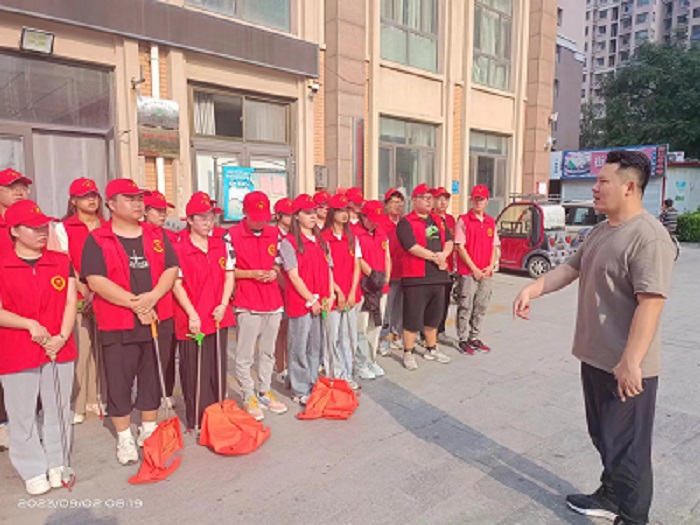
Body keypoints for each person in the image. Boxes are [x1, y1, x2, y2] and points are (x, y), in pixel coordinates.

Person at [513, 150, 675, 525]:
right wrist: (532, 289)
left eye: (603, 181)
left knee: (628, 450)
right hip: (596, 357)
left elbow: (651, 303)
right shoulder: (601, 231)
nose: (595, 188)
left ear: (629, 187)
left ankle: (633, 517)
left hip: (627, 365)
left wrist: (631, 361)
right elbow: (570, 268)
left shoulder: (649, 237)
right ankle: (611, 495)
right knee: (604, 436)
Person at [81, 178, 179, 466]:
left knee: (152, 375)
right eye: (130, 198)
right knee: (119, 380)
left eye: (139, 198)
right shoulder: (98, 238)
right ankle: (124, 436)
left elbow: (171, 269)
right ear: (111, 204)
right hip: (118, 321)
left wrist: (153, 297)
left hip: (157, 318)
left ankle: (148, 429)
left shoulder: (156, 234)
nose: (138, 204)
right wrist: (136, 304)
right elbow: (96, 280)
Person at [0, 200, 77, 495]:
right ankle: (31, 468)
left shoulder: (60, 261)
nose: (42, 232)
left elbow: (70, 302)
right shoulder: (3, 264)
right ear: (14, 231)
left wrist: (62, 336)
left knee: (59, 407)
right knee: (22, 413)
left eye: (44, 226)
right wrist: (28, 324)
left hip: (59, 346)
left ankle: (58, 461)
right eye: (33, 228)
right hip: (17, 348)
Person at [172, 192, 234, 430]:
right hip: (192, 318)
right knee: (194, 370)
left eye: (211, 217)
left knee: (216, 368)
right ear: (189, 220)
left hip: (217, 314)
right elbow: (176, 284)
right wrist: (192, 314)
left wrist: (223, 304)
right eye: (202, 218)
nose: (209, 222)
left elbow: (229, 276)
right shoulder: (179, 248)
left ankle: (217, 414)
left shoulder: (221, 245)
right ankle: (197, 419)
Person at [229, 191, 287, 420]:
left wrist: (273, 271)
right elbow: (228, 269)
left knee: (268, 351)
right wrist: (251, 274)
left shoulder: (274, 234)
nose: (261, 222)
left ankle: (265, 390)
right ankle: (248, 394)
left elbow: (278, 261)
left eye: (264, 217)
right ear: (244, 212)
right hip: (248, 301)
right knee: (244, 354)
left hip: (272, 300)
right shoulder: (232, 235)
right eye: (256, 217)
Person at [56, 178, 106, 424]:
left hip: (106, 295)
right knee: (81, 350)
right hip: (77, 296)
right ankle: (77, 403)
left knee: (102, 352)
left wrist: (100, 291)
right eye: (85, 196)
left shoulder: (107, 225)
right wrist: (85, 291)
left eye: (94, 195)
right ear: (73, 201)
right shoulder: (63, 228)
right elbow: (66, 262)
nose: (91, 200)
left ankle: (96, 397)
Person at [279, 194, 334, 406]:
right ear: (296, 216)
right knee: (298, 346)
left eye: (314, 212)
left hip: (321, 300)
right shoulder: (289, 243)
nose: (313, 216)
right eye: (307, 213)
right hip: (301, 303)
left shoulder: (321, 240)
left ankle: (312, 381)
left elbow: (329, 269)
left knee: (315, 345)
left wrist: (330, 294)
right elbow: (293, 276)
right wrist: (311, 300)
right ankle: (299, 388)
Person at [396, 183, 454, 370]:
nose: (429, 201)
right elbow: (410, 246)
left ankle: (431, 348)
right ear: (414, 200)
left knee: (434, 316)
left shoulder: (438, 220)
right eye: (425, 198)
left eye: (431, 198)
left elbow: (449, 240)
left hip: (438, 276)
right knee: (413, 317)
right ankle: (408, 351)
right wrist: (435, 257)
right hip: (416, 277)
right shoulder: (406, 222)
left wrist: (444, 255)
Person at [0, 168, 32, 452]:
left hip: (29, 302)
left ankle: (29, 422)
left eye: (22, 187)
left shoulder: (33, 224)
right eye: (11, 187)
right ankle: (4, 423)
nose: (19, 191)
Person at [144, 190, 180, 407]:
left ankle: (166, 390)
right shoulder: (138, 235)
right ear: (145, 211)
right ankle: (149, 394)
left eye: (164, 210)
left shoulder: (170, 237)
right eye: (157, 210)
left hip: (169, 304)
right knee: (149, 354)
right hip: (147, 303)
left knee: (167, 352)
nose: (162, 214)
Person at [321, 193, 361, 389]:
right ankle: (333, 375)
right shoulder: (324, 238)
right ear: (332, 213)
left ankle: (347, 373)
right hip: (332, 295)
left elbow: (357, 266)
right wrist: (337, 291)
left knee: (349, 335)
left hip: (351, 294)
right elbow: (325, 268)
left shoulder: (351, 237)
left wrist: (352, 291)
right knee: (332, 336)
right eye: (339, 210)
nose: (344, 214)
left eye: (346, 210)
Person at [454, 184, 498, 355]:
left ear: (487, 201)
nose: (478, 202)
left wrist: (490, 266)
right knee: (465, 305)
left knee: (481, 305)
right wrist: (474, 269)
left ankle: (475, 336)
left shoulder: (490, 222)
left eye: (482, 199)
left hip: (486, 272)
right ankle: (463, 338)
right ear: (471, 200)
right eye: (476, 199)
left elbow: (494, 246)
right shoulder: (463, 221)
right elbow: (460, 247)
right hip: (468, 272)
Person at [355, 200, 391, 380]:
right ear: (363, 217)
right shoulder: (355, 232)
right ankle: (360, 362)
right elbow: (358, 258)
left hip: (380, 286)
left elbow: (387, 256)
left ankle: (371, 359)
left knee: (375, 325)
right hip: (364, 286)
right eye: (371, 220)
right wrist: (372, 274)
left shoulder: (381, 232)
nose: (374, 224)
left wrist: (386, 277)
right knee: (360, 326)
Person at [379, 188, 405, 355]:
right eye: (393, 202)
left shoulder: (404, 223)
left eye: (399, 202)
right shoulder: (381, 223)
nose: (397, 205)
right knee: (386, 308)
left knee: (399, 308)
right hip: (387, 273)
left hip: (404, 272)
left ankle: (397, 334)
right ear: (386, 205)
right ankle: (383, 338)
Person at [431, 186, 457, 346]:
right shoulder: (429, 219)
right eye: (439, 199)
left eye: (445, 199)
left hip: (449, 268)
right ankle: (426, 332)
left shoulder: (451, 220)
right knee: (432, 303)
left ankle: (440, 330)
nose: (443, 202)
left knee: (445, 301)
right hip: (433, 266)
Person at [273, 197, 295, 381]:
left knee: (290, 330)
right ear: (278, 216)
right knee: (280, 330)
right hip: (279, 289)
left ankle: (289, 365)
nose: (291, 218)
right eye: (287, 214)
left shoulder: (295, 234)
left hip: (293, 288)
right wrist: (287, 287)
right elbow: (275, 266)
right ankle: (280, 367)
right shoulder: (273, 235)